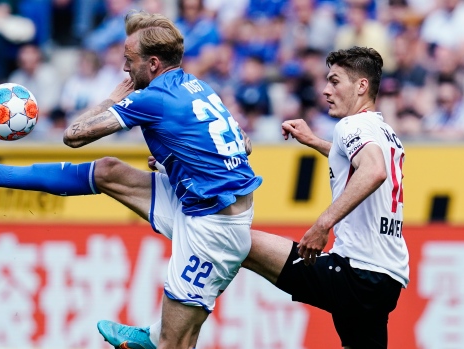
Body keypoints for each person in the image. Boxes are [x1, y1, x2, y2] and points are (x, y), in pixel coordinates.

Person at [0, 10, 261, 349]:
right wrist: (176, 163)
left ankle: (154, 339)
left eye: (129, 60)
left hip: (211, 229)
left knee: (175, 344)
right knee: (108, 171)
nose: (125, 68)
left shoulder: (152, 98)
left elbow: (74, 135)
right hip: (200, 203)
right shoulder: (197, 86)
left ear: (153, 63)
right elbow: (242, 143)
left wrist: (114, 98)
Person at [98, 46, 410, 349]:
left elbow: (372, 171)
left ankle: (162, 335)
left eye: (335, 81)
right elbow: (360, 162)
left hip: (356, 272)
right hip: (386, 278)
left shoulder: (351, 125)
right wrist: (315, 142)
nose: (326, 90)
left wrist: (322, 225)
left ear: (362, 86)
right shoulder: (383, 130)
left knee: (235, 242)